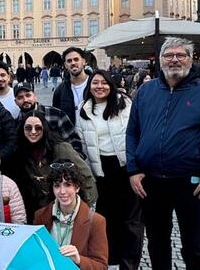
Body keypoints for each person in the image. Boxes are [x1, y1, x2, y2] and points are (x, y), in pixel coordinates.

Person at [127, 37, 200, 269]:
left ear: (190, 59)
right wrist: (134, 169)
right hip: (152, 182)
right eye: (169, 55)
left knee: (194, 244)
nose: (175, 60)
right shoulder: (146, 92)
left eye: (181, 55)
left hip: (192, 183)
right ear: (160, 61)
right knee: (157, 242)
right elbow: (132, 133)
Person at [75, 69, 143, 270]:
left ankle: (129, 264)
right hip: (101, 170)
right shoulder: (84, 109)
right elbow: (82, 143)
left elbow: (136, 133)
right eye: (95, 83)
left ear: (111, 85)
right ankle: (109, 260)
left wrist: (137, 166)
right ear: (90, 86)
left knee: (131, 221)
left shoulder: (125, 104)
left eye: (104, 83)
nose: (100, 87)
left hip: (126, 167)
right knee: (106, 218)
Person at [12, 111, 96, 222]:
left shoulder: (61, 148)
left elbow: (87, 178)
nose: (33, 132)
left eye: (38, 128)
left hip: (69, 207)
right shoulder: (21, 152)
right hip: (44, 211)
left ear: (44, 129)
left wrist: (86, 208)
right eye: (28, 128)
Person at [33, 161, 109, 270]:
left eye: (68, 185)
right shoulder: (40, 216)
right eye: (57, 186)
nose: (62, 191)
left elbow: (101, 266)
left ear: (77, 187)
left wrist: (79, 260)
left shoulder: (96, 221)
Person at [13, 82, 83, 157]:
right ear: (16, 102)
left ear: (34, 96)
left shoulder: (55, 114)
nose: (25, 100)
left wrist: (71, 162)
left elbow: (74, 141)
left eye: (28, 95)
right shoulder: (16, 124)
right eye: (20, 98)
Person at [53, 47, 92, 125]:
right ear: (65, 65)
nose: (73, 63)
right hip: (71, 135)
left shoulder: (95, 84)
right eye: (69, 61)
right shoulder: (60, 90)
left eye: (76, 59)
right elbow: (56, 116)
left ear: (84, 62)